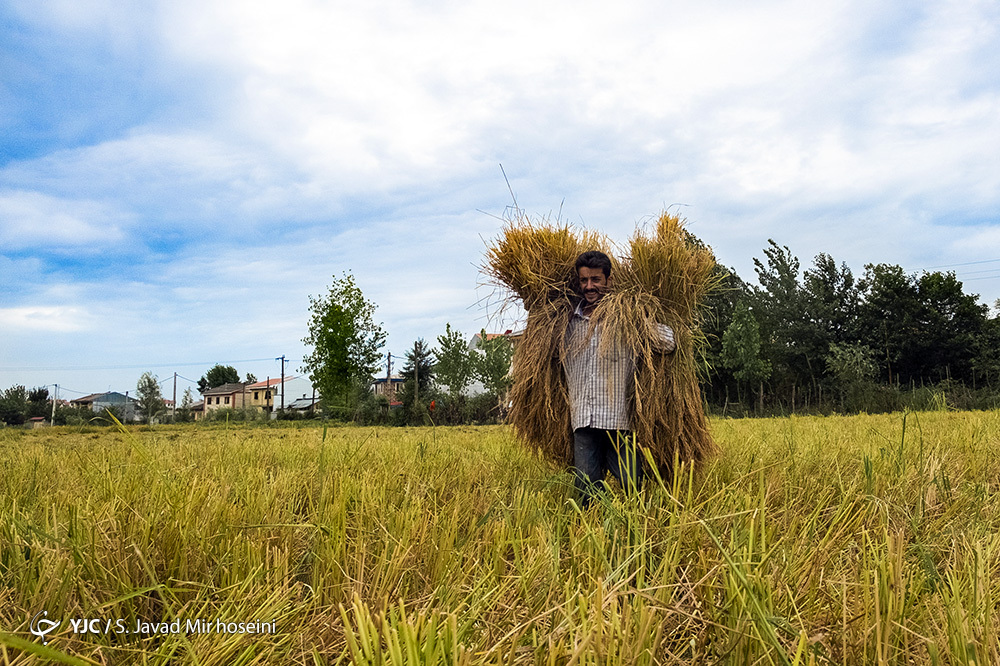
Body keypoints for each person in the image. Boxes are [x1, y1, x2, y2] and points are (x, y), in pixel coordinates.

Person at [564, 250, 675, 507]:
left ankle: (630, 528)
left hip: (618, 418)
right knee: (585, 488)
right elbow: (544, 352)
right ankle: (593, 531)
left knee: (630, 482)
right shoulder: (567, 322)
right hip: (583, 418)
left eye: (595, 280)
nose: (589, 286)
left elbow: (669, 343)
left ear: (609, 280)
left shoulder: (625, 318)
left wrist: (641, 320)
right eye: (584, 281)